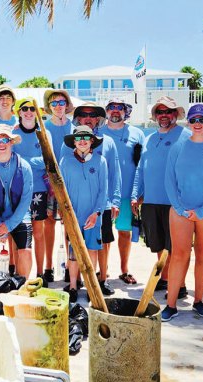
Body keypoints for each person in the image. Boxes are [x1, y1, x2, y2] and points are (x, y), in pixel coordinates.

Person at [161, 104, 203, 322]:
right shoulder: (178, 148)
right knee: (179, 255)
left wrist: (202, 211)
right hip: (180, 209)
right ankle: (171, 305)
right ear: (188, 123)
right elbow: (169, 181)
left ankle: (198, 301)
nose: (198, 124)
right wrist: (181, 208)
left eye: (202, 119)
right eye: (193, 120)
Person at [131, 96, 191, 297]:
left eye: (168, 111)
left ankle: (179, 285)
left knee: (176, 247)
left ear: (175, 114)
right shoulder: (149, 139)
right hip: (151, 200)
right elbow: (141, 168)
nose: (164, 115)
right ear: (156, 116)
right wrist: (136, 194)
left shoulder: (186, 136)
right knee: (159, 244)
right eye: (160, 112)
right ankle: (165, 279)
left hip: (175, 202)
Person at [66, 101, 121, 295]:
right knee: (74, 246)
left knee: (101, 244)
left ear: (98, 118)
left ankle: (101, 280)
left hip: (100, 205)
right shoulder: (68, 155)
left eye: (92, 115)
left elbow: (114, 174)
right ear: (78, 118)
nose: (88, 118)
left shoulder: (109, 143)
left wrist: (114, 200)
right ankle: (74, 282)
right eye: (84, 115)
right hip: (75, 209)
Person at [98, 97, 145, 287]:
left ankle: (124, 270)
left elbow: (142, 164)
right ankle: (104, 269)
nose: (115, 111)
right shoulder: (98, 133)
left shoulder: (137, 134)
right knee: (105, 235)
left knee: (124, 232)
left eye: (120, 108)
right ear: (106, 112)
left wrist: (139, 192)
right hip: (104, 195)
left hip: (128, 193)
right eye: (111, 108)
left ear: (126, 112)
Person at [58, 126, 107, 303]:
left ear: (92, 140)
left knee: (92, 251)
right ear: (74, 142)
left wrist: (96, 213)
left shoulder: (101, 161)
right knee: (73, 253)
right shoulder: (65, 161)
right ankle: (72, 286)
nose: (83, 140)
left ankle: (90, 286)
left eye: (86, 137)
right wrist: (64, 211)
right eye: (79, 138)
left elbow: (103, 191)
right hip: (73, 216)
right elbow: (61, 189)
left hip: (93, 216)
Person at [0, 124, 34, 278]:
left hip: (19, 215)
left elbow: (26, 199)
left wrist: (9, 225)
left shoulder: (25, 166)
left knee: (26, 252)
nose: (2, 143)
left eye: (5, 139)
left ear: (11, 142)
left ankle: (22, 287)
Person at [12, 97, 53, 283]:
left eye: (32, 109)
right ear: (19, 112)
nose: (29, 112)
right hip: (16, 189)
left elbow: (47, 160)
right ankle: (16, 271)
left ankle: (40, 273)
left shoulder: (43, 133)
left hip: (39, 190)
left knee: (38, 233)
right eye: (25, 108)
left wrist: (24, 160)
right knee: (17, 232)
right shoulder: (13, 132)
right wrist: (32, 161)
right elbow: (10, 160)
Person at [42, 88, 75, 284]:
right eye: (53, 103)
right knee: (49, 223)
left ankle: (72, 268)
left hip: (72, 182)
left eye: (61, 102)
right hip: (49, 182)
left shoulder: (74, 126)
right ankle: (48, 267)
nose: (58, 106)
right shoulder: (44, 127)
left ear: (67, 105)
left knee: (70, 226)